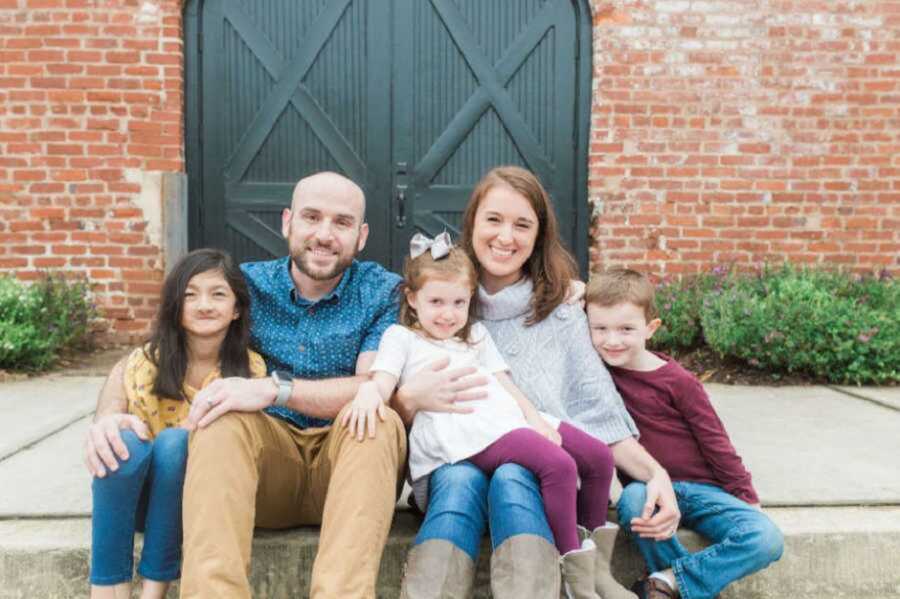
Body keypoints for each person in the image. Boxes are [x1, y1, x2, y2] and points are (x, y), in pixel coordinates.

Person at [84, 172, 408, 599]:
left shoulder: (382, 292)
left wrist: (277, 390)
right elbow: (148, 354)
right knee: (220, 417)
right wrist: (109, 414)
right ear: (287, 222)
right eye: (312, 217)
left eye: (342, 223)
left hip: (345, 465)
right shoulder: (247, 286)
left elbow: (370, 384)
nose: (324, 234)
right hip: (261, 467)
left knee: (377, 420)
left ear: (361, 236)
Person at [394, 166, 681, 599]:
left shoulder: (563, 311)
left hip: (540, 480)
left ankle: (573, 577)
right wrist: (408, 399)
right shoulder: (441, 296)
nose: (505, 237)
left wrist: (657, 474)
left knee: (514, 474)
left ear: (538, 236)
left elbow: (598, 419)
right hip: (456, 467)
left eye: (522, 224)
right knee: (463, 479)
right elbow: (392, 391)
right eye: (494, 219)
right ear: (472, 222)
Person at [343, 233, 621, 598]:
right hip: (460, 433)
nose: (448, 313)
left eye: (459, 301)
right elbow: (382, 380)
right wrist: (367, 391)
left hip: (504, 420)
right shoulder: (401, 338)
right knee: (560, 465)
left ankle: (596, 570)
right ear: (412, 299)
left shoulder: (474, 334)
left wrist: (535, 421)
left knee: (599, 458)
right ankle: (573, 576)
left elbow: (506, 383)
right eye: (436, 301)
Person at [585, 268, 784, 599]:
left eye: (626, 329)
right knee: (634, 501)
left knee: (765, 537)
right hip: (647, 488)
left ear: (651, 328)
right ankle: (673, 585)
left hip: (702, 491)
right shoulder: (595, 376)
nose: (612, 340)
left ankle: (668, 581)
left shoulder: (677, 381)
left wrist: (746, 496)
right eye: (600, 328)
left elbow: (716, 442)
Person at [87, 248, 266, 599]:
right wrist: (111, 423)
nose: (204, 305)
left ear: (237, 309)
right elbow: (117, 421)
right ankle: (107, 590)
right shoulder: (144, 362)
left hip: (200, 505)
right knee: (123, 440)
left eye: (218, 294)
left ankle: (154, 592)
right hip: (139, 499)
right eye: (190, 294)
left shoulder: (249, 370)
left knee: (175, 444)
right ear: (175, 305)